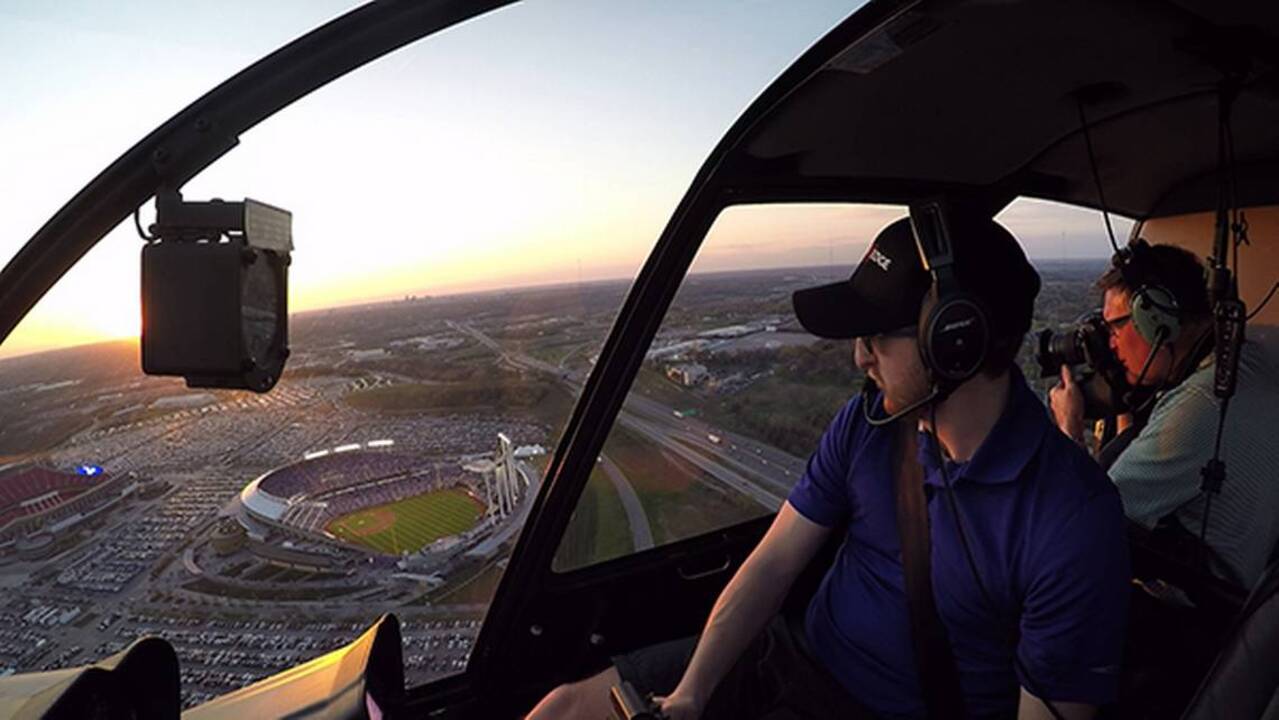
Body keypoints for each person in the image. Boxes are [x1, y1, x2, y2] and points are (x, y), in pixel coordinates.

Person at [527, 217, 1129, 720]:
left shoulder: (1072, 520)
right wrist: (693, 694)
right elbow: (773, 562)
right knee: (563, 710)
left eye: (877, 337)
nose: (858, 355)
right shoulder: (868, 424)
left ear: (956, 340)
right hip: (789, 657)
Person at [1049, 242, 1279, 590]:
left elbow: (1086, 524)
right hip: (1248, 589)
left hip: (1194, 617)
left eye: (1115, 327)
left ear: (1156, 320)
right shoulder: (1250, 359)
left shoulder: (1198, 407)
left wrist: (1069, 429)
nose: (1110, 344)